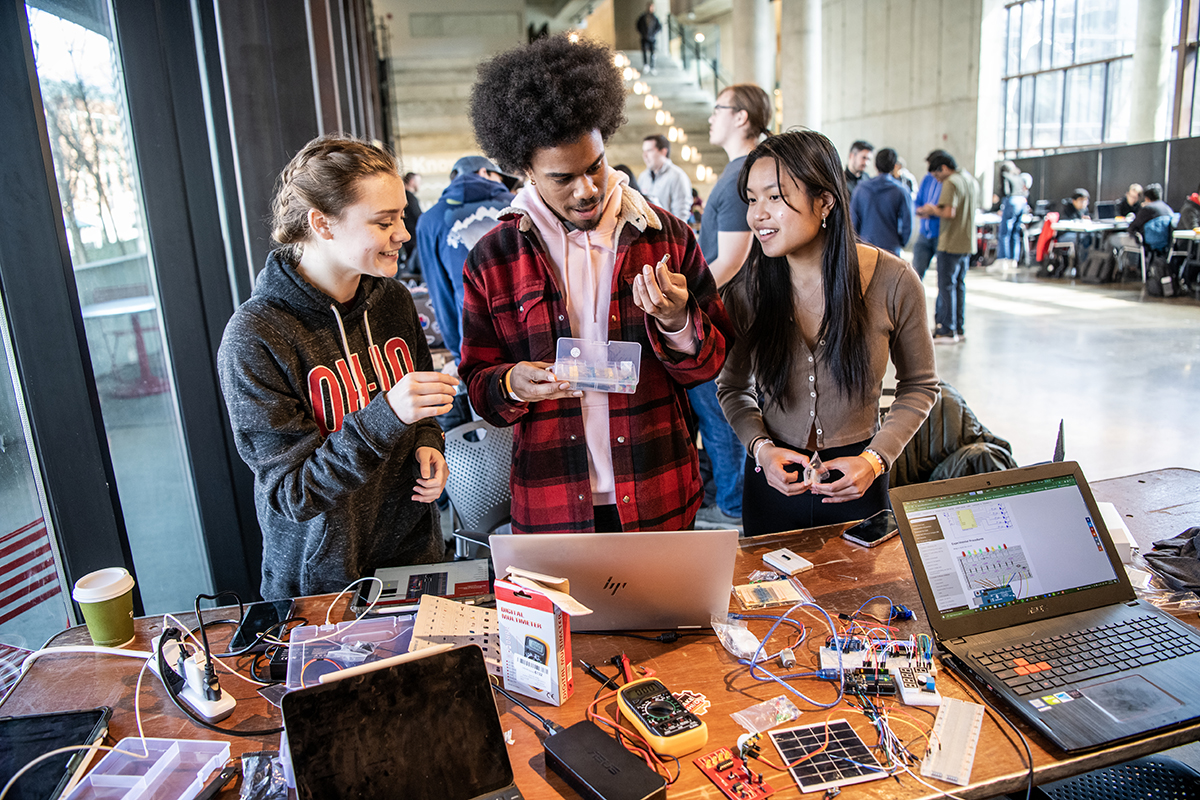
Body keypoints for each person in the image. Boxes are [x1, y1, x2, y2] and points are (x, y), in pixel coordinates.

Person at [460, 34, 731, 535]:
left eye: (596, 166)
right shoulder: (493, 258)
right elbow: (478, 386)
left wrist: (677, 321)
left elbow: (710, 365)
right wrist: (510, 383)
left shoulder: (665, 237)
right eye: (564, 177)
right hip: (552, 505)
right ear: (525, 171)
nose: (587, 190)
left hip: (659, 494)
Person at [217, 134, 459, 599]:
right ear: (322, 225)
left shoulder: (392, 300)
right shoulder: (256, 337)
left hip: (415, 559)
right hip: (322, 586)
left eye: (402, 216)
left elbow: (420, 406)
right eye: (384, 221)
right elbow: (291, 494)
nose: (404, 234)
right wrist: (387, 415)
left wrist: (429, 441)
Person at [716, 130, 937, 536]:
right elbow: (732, 388)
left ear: (825, 201)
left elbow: (920, 385)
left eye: (775, 197)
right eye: (751, 199)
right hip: (771, 484)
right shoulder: (749, 290)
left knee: (862, 597)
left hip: (859, 483)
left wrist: (875, 459)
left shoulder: (894, 280)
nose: (757, 214)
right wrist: (761, 450)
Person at [691, 82, 772, 526]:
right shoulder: (744, 171)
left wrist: (686, 299)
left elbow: (733, 259)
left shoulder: (745, 173)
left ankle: (735, 506)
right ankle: (734, 499)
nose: (711, 117)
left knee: (720, 409)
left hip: (727, 314)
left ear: (742, 117)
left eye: (718, 108)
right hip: (728, 311)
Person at [415, 155, 514, 431]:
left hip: (476, 347)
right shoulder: (518, 204)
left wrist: (460, 358)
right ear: (485, 172)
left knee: (491, 437)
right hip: (535, 342)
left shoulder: (430, 220)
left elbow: (441, 296)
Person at [917, 151, 978, 344]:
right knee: (959, 284)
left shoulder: (951, 182)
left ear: (943, 168)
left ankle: (946, 329)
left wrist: (931, 209)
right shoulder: (969, 180)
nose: (938, 180)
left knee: (946, 285)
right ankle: (959, 327)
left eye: (937, 175)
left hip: (950, 242)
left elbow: (949, 211)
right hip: (966, 242)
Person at [849, 147, 913, 256]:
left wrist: (857, 243)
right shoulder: (901, 191)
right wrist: (900, 242)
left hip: (866, 247)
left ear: (875, 166)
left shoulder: (861, 189)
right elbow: (908, 223)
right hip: (891, 249)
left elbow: (853, 220)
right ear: (894, 166)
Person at [638, 134, 693, 222]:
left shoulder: (677, 176)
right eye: (643, 151)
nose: (645, 156)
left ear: (663, 152)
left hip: (669, 233)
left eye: (649, 151)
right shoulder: (643, 177)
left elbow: (681, 215)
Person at [911, 150, 948, 279]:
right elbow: (918, 201)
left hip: (941, 234)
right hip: (924, 233)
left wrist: (933, 211)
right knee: (915, 274)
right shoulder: (927, 179)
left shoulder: (948, 182)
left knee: (944, 278)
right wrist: (920, 210)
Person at [994, 160, 1028, 269]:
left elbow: (1006, 191)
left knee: (1004, 232)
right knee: (1015, 233)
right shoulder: (1019, 177)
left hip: (1012, 202)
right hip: (1021, 202)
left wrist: (1002, 205)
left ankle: (1002, 259)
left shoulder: (1005, 176)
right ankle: (1013, 260)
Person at [401, 172, 423, 271]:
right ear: (412, 181)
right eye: (418, 182)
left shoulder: (401, 196)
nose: (419, 185)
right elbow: (419, 217)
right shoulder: (410, 197)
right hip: (412, 240)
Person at [636, 2, 661, 72]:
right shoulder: (643, 17)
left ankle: (652, 66)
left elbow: (659, 27)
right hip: (644, 37)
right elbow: (638, 25)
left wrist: (654, 33)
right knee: (644, 51)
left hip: (652, 38)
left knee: (652, 52)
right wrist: (642, 33)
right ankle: (645, 65)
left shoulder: (655, 18)